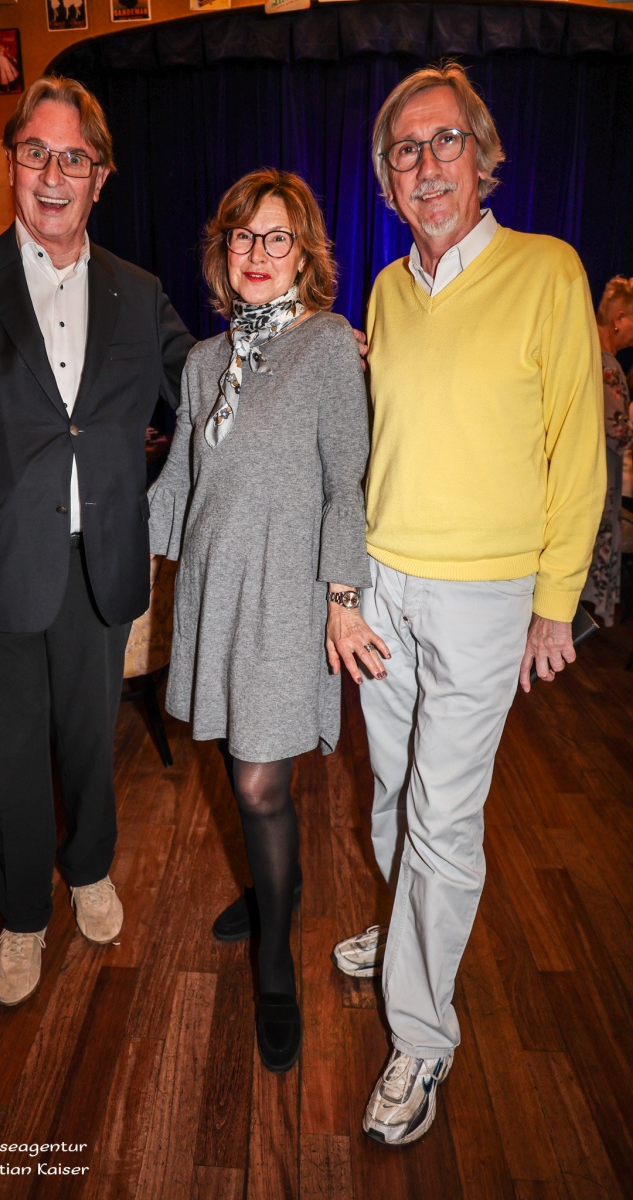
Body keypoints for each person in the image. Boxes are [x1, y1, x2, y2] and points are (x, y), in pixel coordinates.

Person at [329, 62, 605, 1145]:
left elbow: (576, 449)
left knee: (442, 817)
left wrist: (555, 602)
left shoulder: (547, 270)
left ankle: (420, 1034)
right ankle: (409, 934)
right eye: (405, 150)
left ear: (481, 158)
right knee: (391, 793)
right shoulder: (386, 291)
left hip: (487, 595)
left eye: (444, 141)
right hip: (383, 584)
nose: (426, 164)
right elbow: (379, 443)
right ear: (388, 180)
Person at [0, 76, 194, 1007]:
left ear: (101, 176)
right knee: (8, 753)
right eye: (37, 153)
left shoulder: (141, 293)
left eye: (74, 158)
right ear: (12, 163)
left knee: (90, 743)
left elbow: (205, 384)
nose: (53, 174)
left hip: (100, 566)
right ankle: (23, 915)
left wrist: (296, 348)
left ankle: (89, 869)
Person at [148, 169, 380, 1072]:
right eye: (244, 236)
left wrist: (342, 601)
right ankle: (271, 886)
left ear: (304, 254)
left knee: (258, 788)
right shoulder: (203, 361)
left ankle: (275, 965)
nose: (257, 253)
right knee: (234, 762)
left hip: (286, 596)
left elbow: (345, 485)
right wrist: (107, 550)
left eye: (277, 237)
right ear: (223, 250)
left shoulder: (327, 346)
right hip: (212, 593)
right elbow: (181, 482)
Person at [581, 276, 633, 624]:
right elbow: (619, 433)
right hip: (599, 482)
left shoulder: (588, 358)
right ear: (619, 318)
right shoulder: (607, 367)